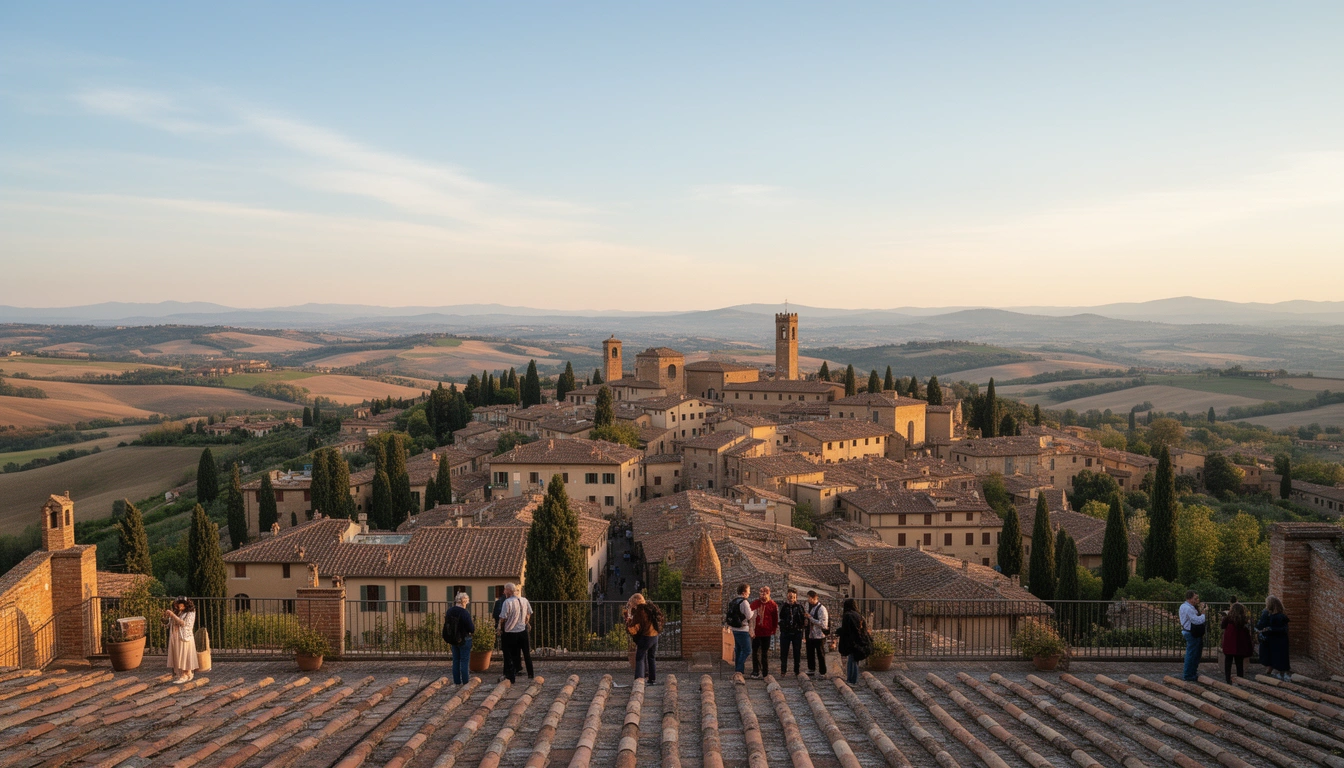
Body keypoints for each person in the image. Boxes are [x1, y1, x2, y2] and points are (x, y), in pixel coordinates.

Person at [499, 583, 534, 683]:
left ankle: (511, 676)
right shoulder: (524, 600)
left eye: (505, 590)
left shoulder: (507, 602)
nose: (504, 592)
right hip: (522, 630)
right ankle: (531, 674)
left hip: (510, 631)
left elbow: (503, 617)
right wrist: (525, 622)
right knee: (526, 653)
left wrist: (500, 628)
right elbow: (529, 612)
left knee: (509, 654)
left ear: (509, 591)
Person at [624, 593, 661, 685]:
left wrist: (628, 621)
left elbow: (634, 626)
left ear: (634, 602)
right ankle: (652, 679)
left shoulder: (640, 611)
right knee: (651, 657)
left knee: (639, 657)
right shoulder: (650, 608)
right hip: (655, 636)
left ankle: (639, 679)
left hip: (646, 637)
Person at [444, 592, 476, 685]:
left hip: (453, 638)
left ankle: (457, 682)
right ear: (464, 602)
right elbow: (471, 628)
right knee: (464, 661)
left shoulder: (449, 611)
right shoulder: (464, 613)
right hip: (464, 638)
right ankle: (465, 682)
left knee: (456, 661)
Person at [164, 597, 199, 684]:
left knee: (184, 655)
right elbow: (172, 622)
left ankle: (185, 674)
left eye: (179, 605)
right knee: (180, 655)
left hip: (184, 637)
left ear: (184, 604)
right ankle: (187, 673)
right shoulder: (180, 612)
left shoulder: (190, 612)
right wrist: (167, 620)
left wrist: (173, 615)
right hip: (177, 636)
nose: (177, 607)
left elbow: (184, 623)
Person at [1257, 595, 1292, 680]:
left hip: (1274, 639)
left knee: (1274, 656)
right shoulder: (1280, 615)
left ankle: (1278, 674)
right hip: (1278, 639)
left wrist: (1269, 629)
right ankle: (1278, 673)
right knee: (1277, 657)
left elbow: (1260, 625)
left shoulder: (1271, 615)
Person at [1220, 597, 1253, 684]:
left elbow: (1222, 626)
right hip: (1239, 643)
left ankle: (1228, 679)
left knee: (1228, 662)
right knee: (1239, 663)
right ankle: (1240, 680)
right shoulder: (1243, 619)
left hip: (1229, 642)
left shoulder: (1228, 618)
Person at [836, 598, 870, 685]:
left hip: (851, 641)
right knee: (854, 660)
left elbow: (846, 630)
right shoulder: (858, 615)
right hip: (858, 640)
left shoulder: (847, 615)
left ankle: (851, 680)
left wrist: (839, 632)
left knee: (852, 661)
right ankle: (852, 679)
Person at [749, 586, 778, 679]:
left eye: (765, 594)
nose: (763, 596)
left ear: (769, 594)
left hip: (766, 632)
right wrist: (751, 629)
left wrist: (773, 630)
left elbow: (775, 619)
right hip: (756, 632)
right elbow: (750, 616)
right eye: (761, 594)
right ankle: (756, 671)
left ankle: (765, 672)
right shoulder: (755, 603)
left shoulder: (773, 605)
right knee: (755, 652)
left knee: (764, 653)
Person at [1178, 589, 1207, 681]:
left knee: (1194, 653)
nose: (1197, 600)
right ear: (1189, 598)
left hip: (1189, 631)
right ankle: (1189, 674)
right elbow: (1196, 620)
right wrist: (1204, 614)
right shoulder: (1188, 608)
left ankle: (1192, 672)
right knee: (1192, 654)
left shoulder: (1185, 606)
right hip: (1191, 632)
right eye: (1195, 598)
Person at [778, 587, 807, 676]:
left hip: (797, 632)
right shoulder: (784, 606)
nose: (791, 599)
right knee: (784, 652)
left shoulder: (799, 607)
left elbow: (803, 619)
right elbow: (781, 617)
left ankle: (796, 670)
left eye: (793, 597)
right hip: (785, 632)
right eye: (790, 597)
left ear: (796, 597)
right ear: (787, 596)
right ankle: (783, 670)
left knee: (797, 652)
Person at [726, 583, 754, 675]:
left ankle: (738, 670)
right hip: (743, 629)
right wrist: (753, 611)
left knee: (738, 649)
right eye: (748, 591)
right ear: (744, 592)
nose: (749, 593)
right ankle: (739, 669)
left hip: (734, 629)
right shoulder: (744, 602)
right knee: (747, 650)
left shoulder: (733, 601)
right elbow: (749, 616)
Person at [804, 590, 829, 677]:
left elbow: (823, 624)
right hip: (811, 634)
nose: (808, 600)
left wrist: (810, 618)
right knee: (810, 652)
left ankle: (822, 671)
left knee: (820, 653)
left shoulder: (822, 609)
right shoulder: (809, 606)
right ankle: (811, 668)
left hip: (819, 635)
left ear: (813, 598)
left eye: (809, 598)